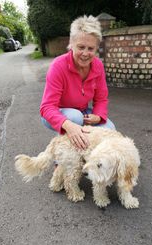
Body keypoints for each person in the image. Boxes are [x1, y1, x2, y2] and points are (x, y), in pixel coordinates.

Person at [40, 15, 115, 150]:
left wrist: (98, 116)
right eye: (81, 47)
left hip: (83, 112)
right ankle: (61, 160)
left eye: (91, 48)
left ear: (96, 48)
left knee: (109, 130)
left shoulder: (98, 66)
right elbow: (47, 107)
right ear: (71, 44)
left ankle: (86, 158)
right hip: (57, 114)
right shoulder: (58, 66)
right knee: (75, 118)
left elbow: (101, 99)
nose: (85, 53)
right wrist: (68, 125)